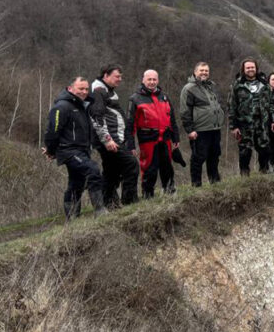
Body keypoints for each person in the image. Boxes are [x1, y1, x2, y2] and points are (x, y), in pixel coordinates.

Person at [44, 76, 107, 219]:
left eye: (86, 89)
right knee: (93, 170)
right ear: (71, 88)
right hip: (69, 151)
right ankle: (100, 211)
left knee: (76, 183)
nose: (84, 92)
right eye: (80, 89)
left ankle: (72, 219)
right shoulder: (62, 106)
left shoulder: (83, 105)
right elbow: (52, 131)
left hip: (83, 150)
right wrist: (51, 150)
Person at [126, 69, 180, 198]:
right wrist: (131, 145)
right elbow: (130, 124)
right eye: (149, 79)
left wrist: (176, 137)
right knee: (149, 169)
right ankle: (148, 196)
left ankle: (169, 192)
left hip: (165, 138)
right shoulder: (135, 99)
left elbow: (172, 119)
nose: (152, 82)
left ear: (158, 80)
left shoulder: (164, 97)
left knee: (167, 167)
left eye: (154, 79)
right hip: (148, 140)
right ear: (143, 80)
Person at [90, 64, 138, 209]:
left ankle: (109, 204)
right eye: (117, 76)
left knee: (111, 171)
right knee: (131, 164)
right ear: (106, 75)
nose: (120, 79)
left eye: (121, 76)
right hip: (109, 139)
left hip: (114, 137)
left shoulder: (107, 90)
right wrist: (108, 140)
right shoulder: (98, 91)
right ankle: (129, 202)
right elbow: (96, 116)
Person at [179, 61, 225, 187]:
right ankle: (196, 185)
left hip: (215, 129)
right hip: (200, 130)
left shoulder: (211, 86)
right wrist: (190, 130)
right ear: (195, 72)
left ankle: (215, 183)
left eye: (206, 71)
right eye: (201, 70)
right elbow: (184, 111)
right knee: (198, 159)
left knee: (214, 157)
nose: (204, 73)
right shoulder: (189, 88)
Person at [229, 58, 274, 175]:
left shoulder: (264, 84)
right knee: (245, 150)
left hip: (262, 123)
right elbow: (232, 106)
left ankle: (264, 172)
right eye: (248, 68)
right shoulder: (237, 85)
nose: (250, 69)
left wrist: (273, 120)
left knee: (265, 149)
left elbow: (271, 103)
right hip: (244, 123)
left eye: (252, 67)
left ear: (256, 68)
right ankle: (245, 175)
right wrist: (233, 126)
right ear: (243, 69)